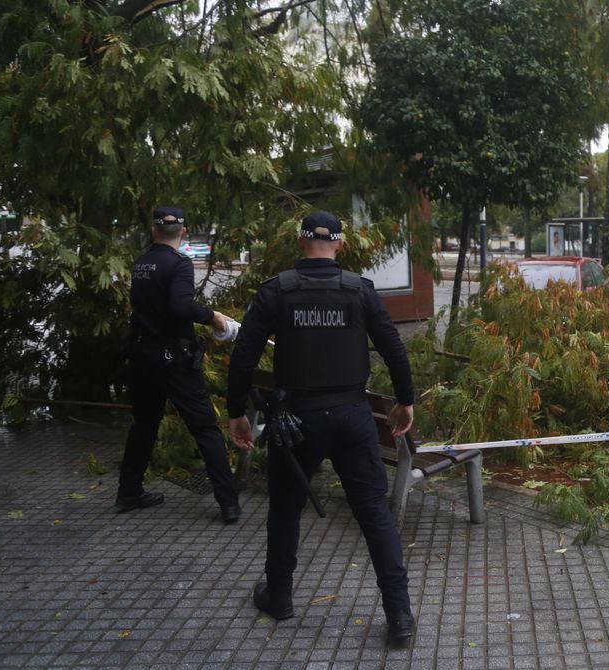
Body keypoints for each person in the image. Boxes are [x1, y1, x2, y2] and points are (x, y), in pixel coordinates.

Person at [225, 211, 416, 646]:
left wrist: (236, 412)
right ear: (341, 247)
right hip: (352, 417)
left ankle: (280, 596)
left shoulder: (277, 291)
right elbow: (393, 350)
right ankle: (400, 614)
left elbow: (243, 357)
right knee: (374, 516)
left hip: (296, 423)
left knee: (285, 511)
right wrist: (405, 402)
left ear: (300, 243)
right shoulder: (359, 291)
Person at [117, 206, 241, 524]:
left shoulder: (142, 263)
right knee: (205, 429)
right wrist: (213, 317)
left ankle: (129, 492)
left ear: (153, 230)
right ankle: (228, 503)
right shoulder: (178, 265)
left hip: (143, 356)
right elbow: (180, 305)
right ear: (183, 232)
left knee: (144, 424)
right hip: (171, 357)